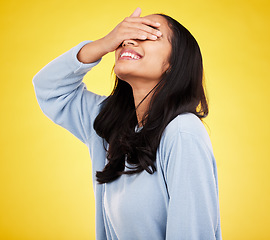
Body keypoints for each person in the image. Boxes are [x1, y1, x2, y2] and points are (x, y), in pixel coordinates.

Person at [32, 7, 222, 240]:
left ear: (174, 63)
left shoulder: (182, 132)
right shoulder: (108, 125)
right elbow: (48, 88)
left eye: (147, 34)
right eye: (126, 35)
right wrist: (105, 42)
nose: (128, 40)